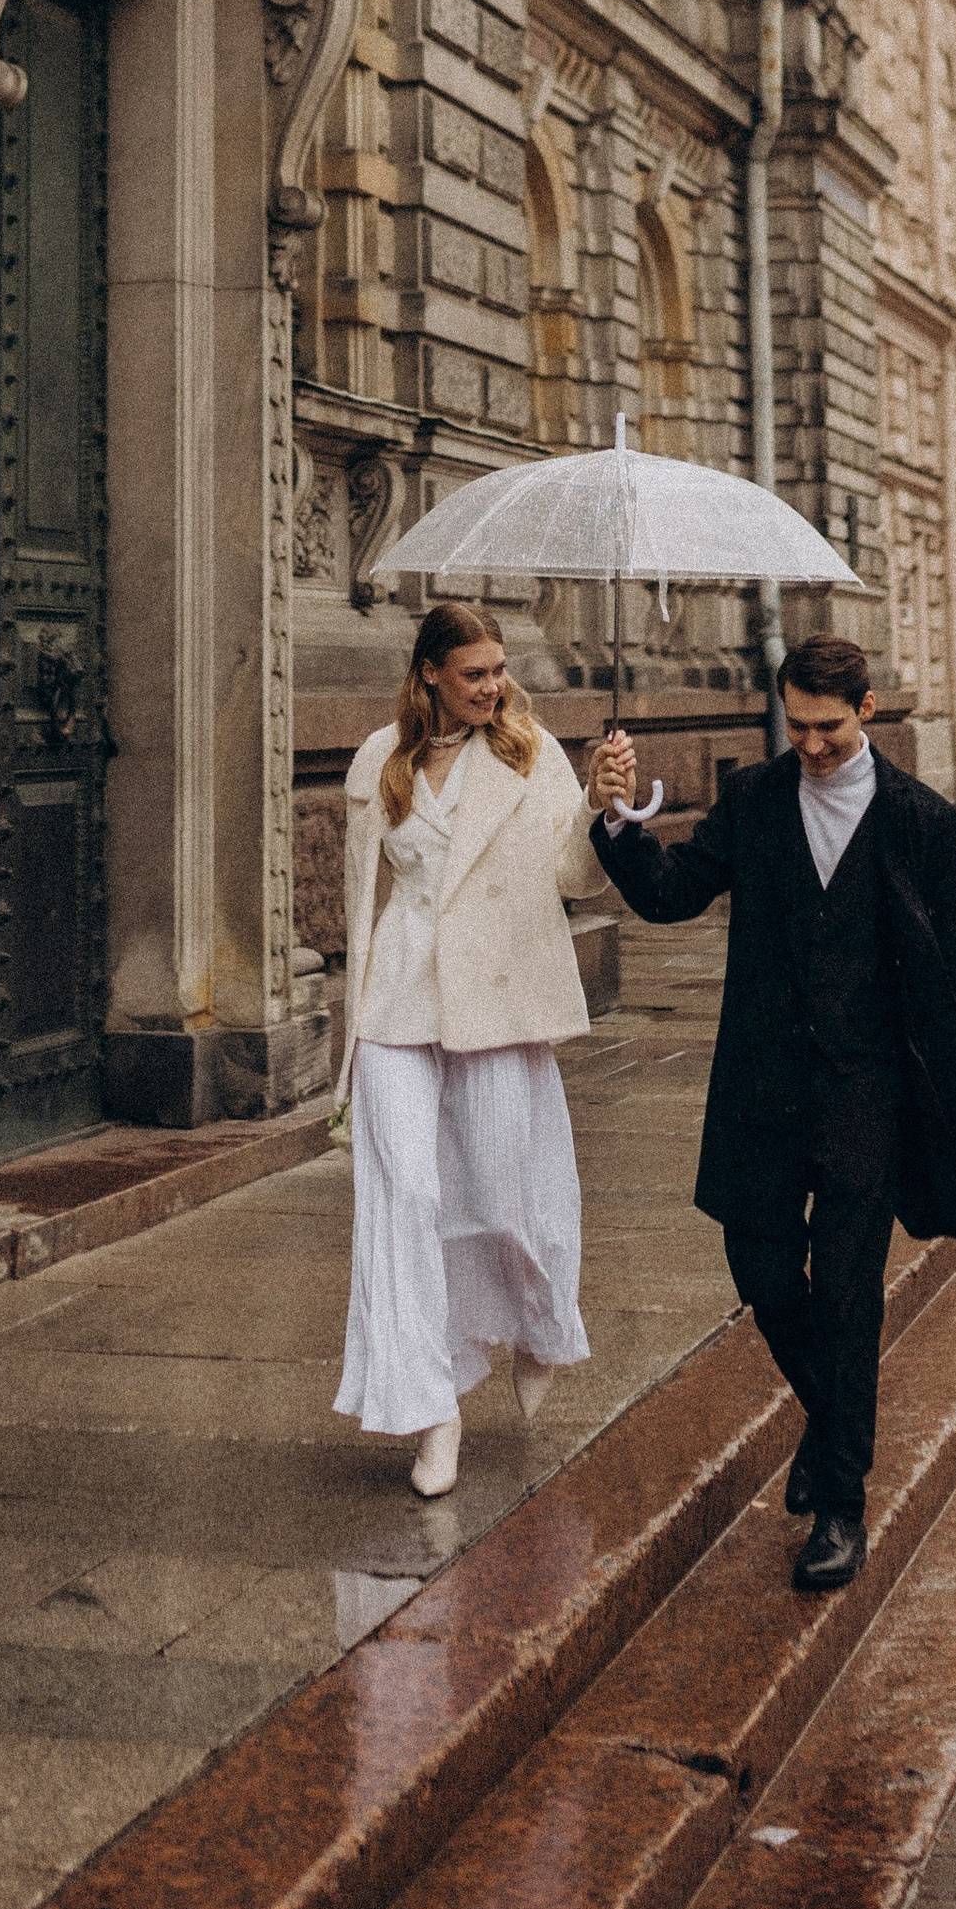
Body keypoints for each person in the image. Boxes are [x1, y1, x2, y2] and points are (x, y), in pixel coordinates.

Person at [589, 633, 956, 1594]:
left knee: (844, 1289)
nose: (813, 746)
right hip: (763, 1084)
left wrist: (946, 1111)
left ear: (866, 711)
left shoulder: (924, 823)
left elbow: (949, 985)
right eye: (796, 726)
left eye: (829, 728)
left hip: (869, 1094)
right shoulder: (753, 800)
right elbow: (672, 897)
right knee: (758, 1266)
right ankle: (837, 1429)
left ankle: (839, 1503)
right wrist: (619, 820)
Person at [335, 601, 624, 1498]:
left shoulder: (528, 754)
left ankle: (540, 1323)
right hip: (398, 1003)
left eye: (498, 670)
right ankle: (434, 1412)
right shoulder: (378, 761)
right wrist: (345, 1051)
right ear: (429, 674)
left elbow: (572, 878)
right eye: (474, 674)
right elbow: (361, 906)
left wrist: (600, 808)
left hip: (497, 998)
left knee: (505, 1193)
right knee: (404, 1200)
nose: (493, 687)